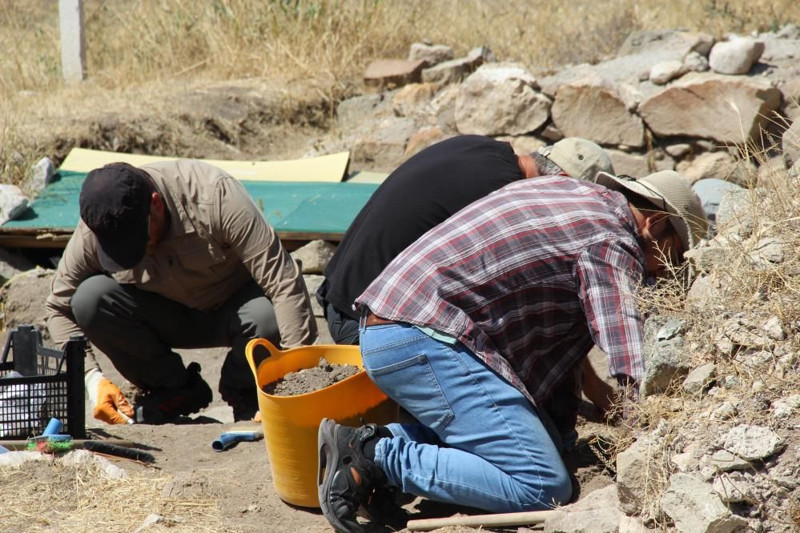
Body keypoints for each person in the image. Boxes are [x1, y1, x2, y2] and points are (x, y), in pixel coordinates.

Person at [317, 170, 708, 532]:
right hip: (419, 336)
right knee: (542, 484)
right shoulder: (611, 238)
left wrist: (558, 424)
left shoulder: (572, 193)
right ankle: (375, 456)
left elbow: (556, 331)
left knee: (539, 448)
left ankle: (381, 444)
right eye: (671, 257)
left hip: (401, 326)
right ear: (654, 224)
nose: (662, 274)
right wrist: (658, 443)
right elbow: (629, 357)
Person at [46, 160, 317, 425]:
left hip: (236, 310)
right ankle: (174, 389)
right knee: (90, 299)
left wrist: (295, 382)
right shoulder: (99, 227)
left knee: (268, 318)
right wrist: (92, 380)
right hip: (167, 316)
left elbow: (284, 283)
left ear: (155, 203)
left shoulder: (216, 197)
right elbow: (58, 308)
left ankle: (244, 390)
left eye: (138, 241)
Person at [318, 134, 614, 346]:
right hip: (361, 324)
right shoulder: (502, 199)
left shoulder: (483, 148)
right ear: (560, 179)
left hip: (338, 293)